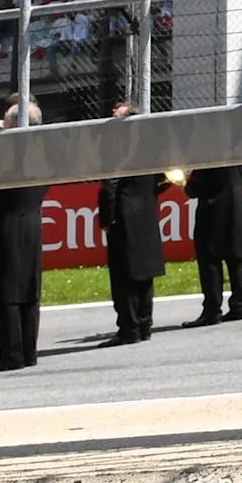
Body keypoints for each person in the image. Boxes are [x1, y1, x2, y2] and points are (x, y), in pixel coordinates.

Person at [0, 105, 48, 371]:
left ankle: (11, 354)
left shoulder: (2, 157)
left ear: (15, 126)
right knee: (29, 291)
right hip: (31, 226)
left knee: (5, 294)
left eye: (4, 124)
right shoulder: (41, 154)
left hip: (3, 228)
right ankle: (29, 352)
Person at [97, 103, 168, 345]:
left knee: (124, 274)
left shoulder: (117, 147)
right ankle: (144, 323)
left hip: (125, 214)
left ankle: (129, 327)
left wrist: (107, 217)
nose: (111, 117)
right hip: (145, 212)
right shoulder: (150, 146)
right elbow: (164, 178)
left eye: (116, 116)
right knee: (144, 273)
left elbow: (110, 184)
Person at [187, 163, 242, 326]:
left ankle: (212, 310)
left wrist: (187, 181)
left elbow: (195, 188)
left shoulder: (209, 155)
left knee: (209, 259)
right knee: (236, 257)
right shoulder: (238, 150)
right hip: (237, 201)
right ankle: (240, 305)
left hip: (213, 207)